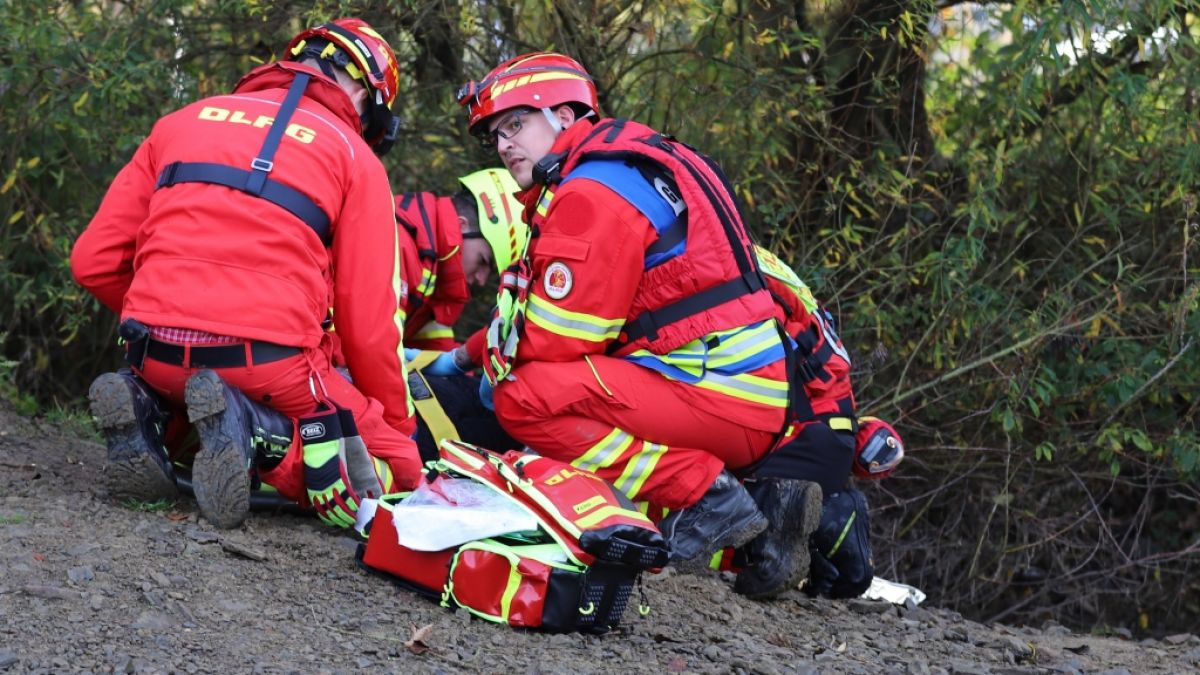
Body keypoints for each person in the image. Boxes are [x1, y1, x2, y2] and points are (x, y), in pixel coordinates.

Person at [449, 52, 823, 598]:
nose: (504, 145)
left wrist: (486, 366)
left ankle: (708, 496)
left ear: (565, 115)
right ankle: (763, 511)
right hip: (747, 392)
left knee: (522, 396)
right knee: (560, 384)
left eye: (515, 124)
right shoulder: (628, 166)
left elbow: (558, 339)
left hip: (714, 393)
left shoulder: (589, 194)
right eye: (496, 135)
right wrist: (472, 353)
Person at [71, 18, 421, 530]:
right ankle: (262, 436)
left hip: (154, 352)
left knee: (200, 402)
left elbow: (93, 260)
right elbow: (370, 325)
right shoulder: (355, 157)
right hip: (271, 365)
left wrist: (164, 314)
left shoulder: (182, 120)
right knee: (397, 464)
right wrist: (391, 423)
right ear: (365, 96)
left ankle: (148, 406)